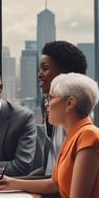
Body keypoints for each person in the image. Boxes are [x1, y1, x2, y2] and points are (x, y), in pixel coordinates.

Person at [38, 40, 87, 175]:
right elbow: (47, 171)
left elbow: (60, 182)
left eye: (45, 68)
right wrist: (9, 181)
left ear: (64, 75)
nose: (39, 74)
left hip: (60, 194)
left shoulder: (76, 118)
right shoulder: (51, 108)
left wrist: (16, 183)